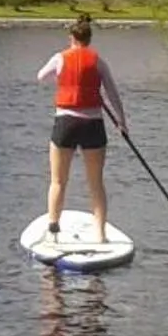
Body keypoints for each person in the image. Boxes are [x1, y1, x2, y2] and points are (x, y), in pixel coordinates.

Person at [37, 17, 128, 243]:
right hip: (93, 125)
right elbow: (113, 94)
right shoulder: (99, 61)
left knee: (58, 181)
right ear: (89, 39)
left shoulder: (59, 58)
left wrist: (61, 77)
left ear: (71, 38)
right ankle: (100, 234)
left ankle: (53, 230)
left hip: (65, 123)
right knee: (96, 182)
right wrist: (121, 122)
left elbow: (41, 77)